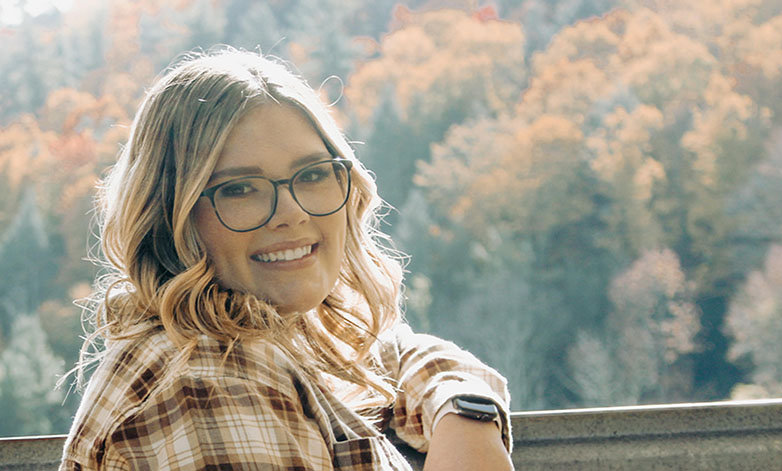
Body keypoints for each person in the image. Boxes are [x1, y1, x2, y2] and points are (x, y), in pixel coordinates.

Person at [60, 48, 513, 471]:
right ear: (169, 215)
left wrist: (464, 413)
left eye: (313, 174)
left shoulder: (284, 333)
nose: (292, 213)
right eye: (239, 188)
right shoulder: (206, 386)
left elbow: (393, 352)